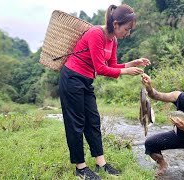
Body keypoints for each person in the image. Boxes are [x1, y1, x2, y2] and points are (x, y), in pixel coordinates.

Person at [59, 4, 151, 180]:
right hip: (72, 78)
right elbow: (100, 68)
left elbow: (112, 65)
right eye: (126, 29)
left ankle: (101, 163)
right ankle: (80, 168)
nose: (128, 33)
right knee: (76, 123)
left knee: (93, 121)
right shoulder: (96, 34)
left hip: (86, 81)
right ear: (116, 24)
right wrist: (125, 72)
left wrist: (133, 63)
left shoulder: (113, 40)